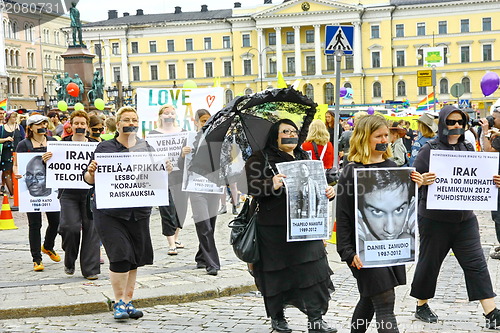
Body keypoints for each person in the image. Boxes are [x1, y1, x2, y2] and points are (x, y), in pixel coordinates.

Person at [410, 105, 500, 329]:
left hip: (465, 220)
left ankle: (492, 313)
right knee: (430, 263)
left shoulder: (468, 147)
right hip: (434, 220)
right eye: (451, 122)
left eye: (460, 122)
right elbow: (411, 180)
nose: (456, 126)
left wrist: (494, 182)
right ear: (442, 124)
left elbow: (478, 177)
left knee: (477, 263)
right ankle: (421, 305)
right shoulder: (428, 150)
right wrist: (421, 182)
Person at [245, 118, 337, 333]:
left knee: (314, 272)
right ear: (275, 136)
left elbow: (316, 186)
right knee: (276, 275)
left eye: (294, 131)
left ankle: (316, 318)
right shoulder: (260, 158)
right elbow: (251, 187)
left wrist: (328, 193)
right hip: (274, 229)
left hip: (305, 227)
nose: (291, 134)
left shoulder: (304, 156)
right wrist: (271, 183)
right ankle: (278, 317)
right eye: (285, 131)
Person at [84, 106, 174, 320]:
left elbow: (155, 179)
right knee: (120, 255)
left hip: (138, 212)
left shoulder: (146, 147)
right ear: (118, 123)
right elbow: (89, 181)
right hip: (110, 213)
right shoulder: (105, 148)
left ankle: (128, 301)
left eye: (134, 119)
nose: (130, 122)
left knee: (134, 258)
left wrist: (166, 170)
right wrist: (91, 172)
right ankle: (118, 303)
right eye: (126, 119)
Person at [336, 114, 423, 333]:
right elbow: (344, 215)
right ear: (365, 137)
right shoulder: (351, 170)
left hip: (390, 247)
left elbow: (404, 206)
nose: (384, 139)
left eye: (387, 135)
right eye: (379, 136)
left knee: (368, 299)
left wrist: (416, 187)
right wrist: (347, 251)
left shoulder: (392, 165)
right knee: (385, 301)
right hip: (363, 249)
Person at [43, 110, 101, 280]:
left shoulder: (97, 146)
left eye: (83, 123)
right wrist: (46, 161)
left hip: (90, 193)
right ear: (71, 125)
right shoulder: (61, 145)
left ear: (87, 127)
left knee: (91, 230)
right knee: (69, 227)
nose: (80, 126)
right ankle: (70, 260)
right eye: (76, 123)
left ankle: (91, 270)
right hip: (68, 193)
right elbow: (54, 169)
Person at [14, 114, 61, 272]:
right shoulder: (23, 144)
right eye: (38, 124)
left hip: (50, 188)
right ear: (30, 128)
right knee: (35, 224)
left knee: (56, 221)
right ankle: (36, 259)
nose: (43, 126)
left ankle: (48, 246)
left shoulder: (53, 142)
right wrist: (18, 173)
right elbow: (17, 164)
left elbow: (61, 162)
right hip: (31, 190)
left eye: (44, 124)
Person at [179, 109, 221, 276]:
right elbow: (180, 167)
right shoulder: (189, 140)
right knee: (203, 223)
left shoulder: (218, 139)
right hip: (196, 188)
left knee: (210, 224)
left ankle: (201, 257)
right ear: (196, 122)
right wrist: (183, 155)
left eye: (209, 120)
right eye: (203, 120)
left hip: (213, 187)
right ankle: (212, 263)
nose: (206, 123)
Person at [149, 104, 188, 256]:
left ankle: (176, 238)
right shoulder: (153, 134)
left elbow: (189, 155)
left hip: (180, 174)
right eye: (166, 113)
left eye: (172, 113)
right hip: (163, 175)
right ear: (160, 116)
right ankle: (171, 243)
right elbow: (150, 155)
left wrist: (185, 153)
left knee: (181, 209)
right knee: (166, 209)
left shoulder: (183, 132)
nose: (169, 115)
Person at [356, 169, 416, 265]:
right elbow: (361, 259)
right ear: (361, 208)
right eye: (377, 211)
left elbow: (424, 246)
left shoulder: (411, 206)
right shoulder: (359, 215)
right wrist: (404, 241)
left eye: (399, 210)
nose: (390, 229)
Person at [0, 111, 25, 197]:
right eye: (13, 117)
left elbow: (23, 139)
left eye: (15, 117)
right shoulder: (2, 128)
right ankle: (12, 193)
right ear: (9, 118)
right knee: (7, 171)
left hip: (18, 151)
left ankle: (18, 191)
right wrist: (6, 139)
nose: (15, 119)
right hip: (6, 151)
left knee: (18, 171)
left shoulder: (19, 127)